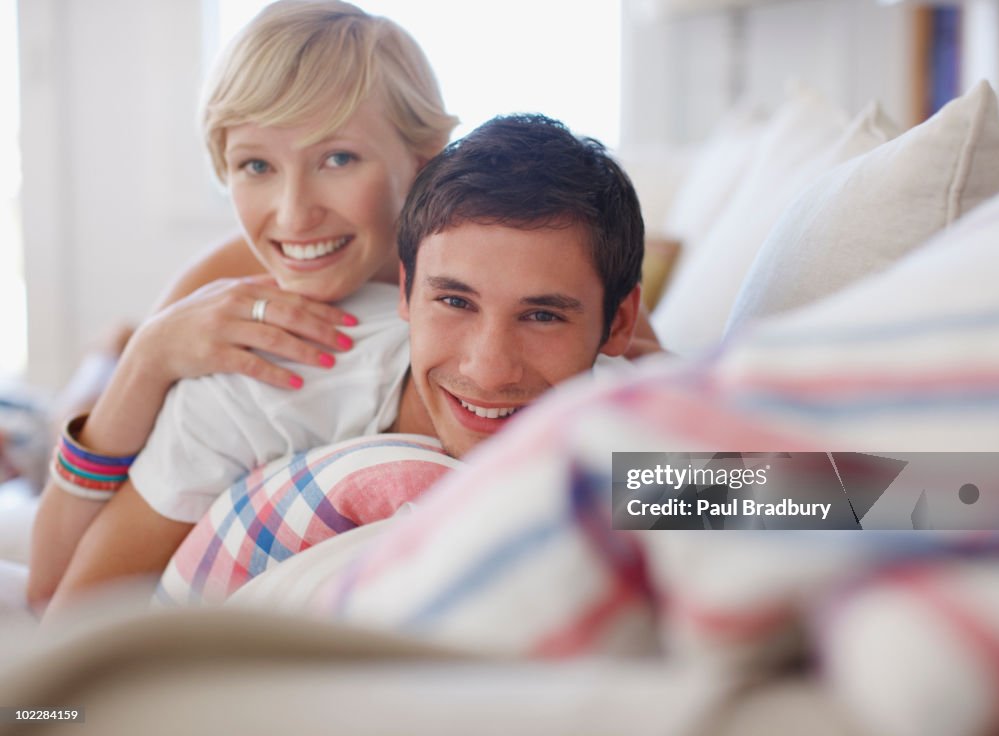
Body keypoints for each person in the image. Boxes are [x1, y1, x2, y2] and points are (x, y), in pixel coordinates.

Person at [45, 113, 646, 614]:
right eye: (454, 302)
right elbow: (63, 619)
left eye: (542, 316)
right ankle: (110, 350)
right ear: (406, 291)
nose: (489, 369)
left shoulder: (631, 420)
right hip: (167, 383)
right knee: (78, 403)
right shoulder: (256, 387)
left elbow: (737, 497)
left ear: (617, 324)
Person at [28, 0, 458, 610]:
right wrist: (146, 358)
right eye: (255, 165)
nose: (292, 214)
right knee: (67, 411)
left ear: (426, 156)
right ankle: (109, 350)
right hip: (108, 409)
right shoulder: (231, 281)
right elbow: (50, 586)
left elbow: (638, 418)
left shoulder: (496, 270)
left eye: (337, 158)